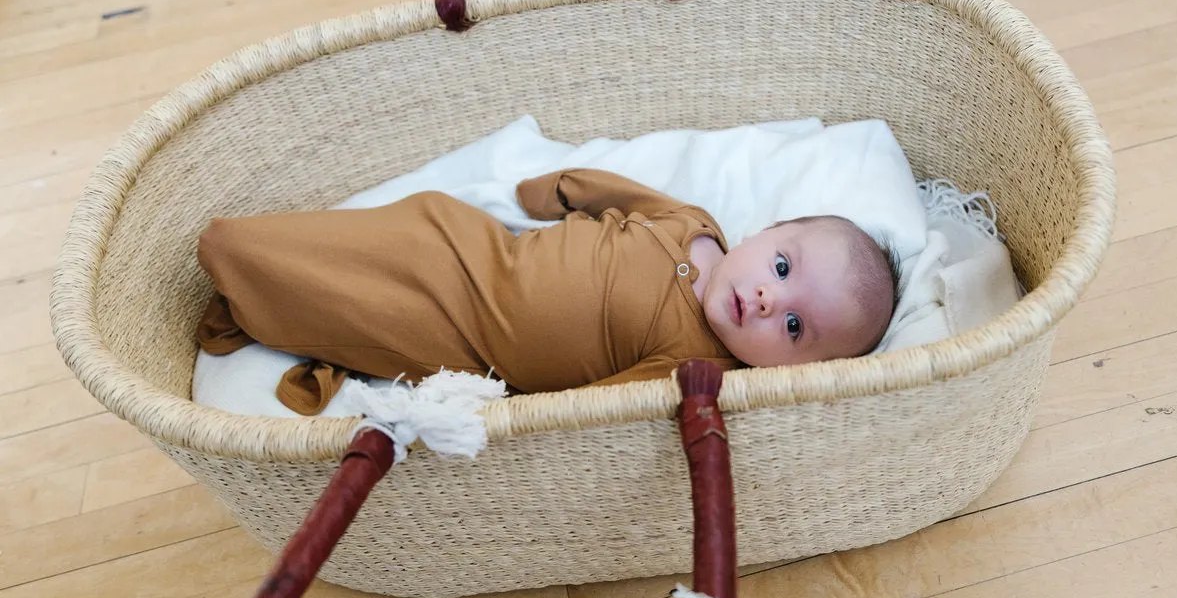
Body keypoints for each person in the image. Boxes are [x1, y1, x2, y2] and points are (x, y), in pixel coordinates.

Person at [195, 168, 900, 415]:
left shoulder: (697, 366)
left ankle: (257, 297)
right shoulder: (693, 223)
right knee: (384, 235)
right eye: (782, 267)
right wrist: (562, 189)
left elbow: (593, 409)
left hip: (466, 335)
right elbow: (623, 196)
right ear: (768, 231)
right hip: (470, 242)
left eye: (797, 329)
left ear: (794, 371)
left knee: (348, 301)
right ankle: (267, 276)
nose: (773, 302)